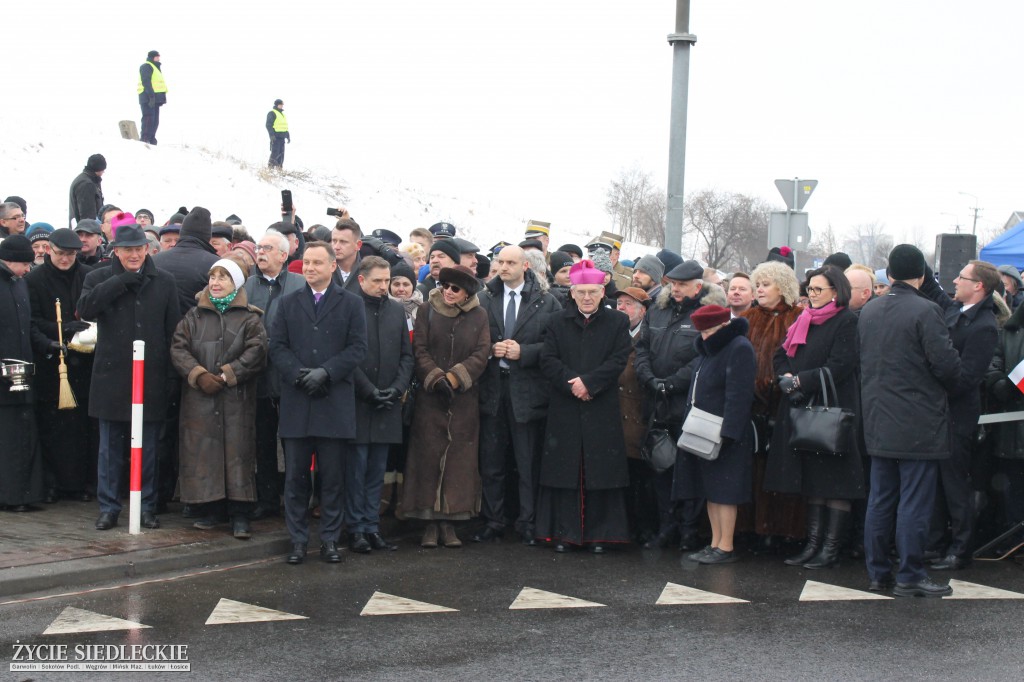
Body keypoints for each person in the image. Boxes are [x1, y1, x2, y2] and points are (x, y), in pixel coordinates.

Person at [859, 244, 961, 597]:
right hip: (918, 421)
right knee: (914, 502)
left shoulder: (870, 310)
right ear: (922, 275)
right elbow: (946, 366)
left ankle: (878, 573)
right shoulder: (927, 310)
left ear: (889, 274)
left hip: (877, 418)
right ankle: (911, 574)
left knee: (880, 499)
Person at [78, 225, 181, 531]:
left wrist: (171, 376)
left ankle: (146, 504)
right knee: (109, 448)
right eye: (128, 250)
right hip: (111, 377)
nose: (134, 255)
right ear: (116, 252)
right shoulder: (98, 277)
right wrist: (120, 281)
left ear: (147, 250)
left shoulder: (164, 281)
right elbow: (85, 309)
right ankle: (109, 506)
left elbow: (172, 330)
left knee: (148, 448)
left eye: (139, 249)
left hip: (151, 377)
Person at [269, 242, 367, 564]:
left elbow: (357, 349)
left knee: (332, 478)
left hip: (333, 402)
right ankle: (297, 541)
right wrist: (299, 374)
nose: (309, 268)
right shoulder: (287, 303)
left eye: (316, 263)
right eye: (306, 262)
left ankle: (329, 540)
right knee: (296, 478)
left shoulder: (351, 303)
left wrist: (326, 372)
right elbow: (277, 346)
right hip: (298, 401)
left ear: (331, 265)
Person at [766, 266, 865, 569]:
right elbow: (782, 353)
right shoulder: (804, 318)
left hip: (832, 409)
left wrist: (799, 381)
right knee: (812, 479)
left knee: (834, 481)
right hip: (803, 407)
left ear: (836, 291)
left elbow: (841, 364)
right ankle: (812, 545)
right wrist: (784, 377)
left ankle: (830, 548)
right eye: (809, 289)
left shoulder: (846, 321)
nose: (812, 295)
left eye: (818, 290)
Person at [536, 260, 632, 553]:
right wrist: (573, 384)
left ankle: (601, 535)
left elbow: (619, 359)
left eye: (593, 292)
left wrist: (590, 383)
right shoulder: (556, 321)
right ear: (573, 293)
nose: (587, 298)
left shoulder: (617, 322)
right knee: (564, 471)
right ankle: (563, 534)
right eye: (581, 292)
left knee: (601, 471)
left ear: (603, 292)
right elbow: (548, 360)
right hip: (565, 405)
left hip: (600, 404)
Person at [170, 259, 267, 539]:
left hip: (237, 400)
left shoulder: (250, 318)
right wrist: (199, 375)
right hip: (200, 400)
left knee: (238, 455)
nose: (216, 282)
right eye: (213, 276)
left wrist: (226, 375)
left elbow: (257, 352)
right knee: (204, 453)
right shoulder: (193, 316)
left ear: (235, 283)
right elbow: (179, 349)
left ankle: (239, 515)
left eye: (223, 277)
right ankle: (209, 509)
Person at [474, 246, 562, 546]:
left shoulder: (546, 302)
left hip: (528, 391)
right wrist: (490, 350)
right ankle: (494, 520)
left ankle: (528, 521)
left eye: (511, 262)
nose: (503, 267)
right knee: (492, 461)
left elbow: (556, 346)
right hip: (492, 389)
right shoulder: (485, 298)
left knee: (527, 462)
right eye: (500, 262)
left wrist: (525, 352)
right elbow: (473, 340)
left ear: (525, 266)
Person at [919, 260, 999, 570]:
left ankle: (960, 548)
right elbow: (933, 289)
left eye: (962, 277)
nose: (955, 280)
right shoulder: (957, 311)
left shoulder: (984, 326)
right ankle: (935, 543)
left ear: (979, 286)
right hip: (938, 413)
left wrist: (930, 386)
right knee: (936, 483)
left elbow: (967, 378)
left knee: (955, 485)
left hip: (957, 416)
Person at [403, 265, 490, 548]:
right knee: (426, 460)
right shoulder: (427, 309)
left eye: (455, 288)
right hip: (430, 399)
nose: (448, 292)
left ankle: (450, 522)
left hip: (464, 401)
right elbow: (420, 349)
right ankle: (428, 523)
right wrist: (436, 378)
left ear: (467, 292)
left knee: (458, 464)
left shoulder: (479, 315)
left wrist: (455, 378)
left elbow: (481, 352)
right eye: (445, 286)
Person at [633, 260, 706, 550]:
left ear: (698, 287)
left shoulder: (704, 314)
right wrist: (650, 379)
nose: (675, 289)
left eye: (682, 285)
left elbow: (702, 357)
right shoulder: (658, 310)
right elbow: (641, 349)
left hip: (687, 405)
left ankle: (688, 530)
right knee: (660, 469)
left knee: (689, 471)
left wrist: (672, 383)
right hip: (656, 403)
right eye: (673, 284)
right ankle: (666, 527)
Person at [674, 305, 756, 564]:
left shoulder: (739, 347)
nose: (705, 335)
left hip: (724, 433)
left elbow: (738, 395)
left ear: (723, 326)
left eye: (709, 330)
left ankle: (726, 546)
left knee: (725, 493)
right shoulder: (711, 349)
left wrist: (729, 433)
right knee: (711, 491)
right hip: (704, 430)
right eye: (702, 331)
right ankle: (715, 542)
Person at [347, 256, 413, 553]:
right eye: (378, 281)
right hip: (359, 402)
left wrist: (397, 388)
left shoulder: (397, 312)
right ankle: (355, 528)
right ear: (362, 280)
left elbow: (406, 356)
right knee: (356, 468)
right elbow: (347, 355)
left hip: (388, 401)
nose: (384, 287)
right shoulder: (349, 307)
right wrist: (368, 389)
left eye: (387, 281)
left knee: (377, 470)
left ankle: (372, 526)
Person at [25, 229, 95, 503]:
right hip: (52, 365)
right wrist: (61, 331)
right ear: (49, 251)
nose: (65, 259)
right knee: (54, 427)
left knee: (81, 429)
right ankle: (56, 483)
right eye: (60, 254)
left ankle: (80, 482)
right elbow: (32, 320)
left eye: (70, 254)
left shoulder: (87, 275)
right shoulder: (35, 280)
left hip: (83, 363)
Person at [739, 260, 804, 549]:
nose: (760, 289)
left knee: (781, 473)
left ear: (784, 287)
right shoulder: (748, 318)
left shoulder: (800, 318)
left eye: (766, 284)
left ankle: (783, 531)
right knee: (751, 470)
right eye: (759, 284)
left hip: (785, 406)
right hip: (751, 407)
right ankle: (751, 530)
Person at [242, 230, 306, 520]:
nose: (261, 252)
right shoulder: (247, 286)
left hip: (291, 379)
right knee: (262, 442)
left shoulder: (299, 285)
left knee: (293, 444)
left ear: (284, 255)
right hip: (258, 377)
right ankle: (267, 499)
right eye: (259, 247)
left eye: (268, 248)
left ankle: (295, 501)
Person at [0, 235, 49, 511]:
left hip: (21, 371)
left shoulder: (19, 286)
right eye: (25, 264)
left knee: (23, 433)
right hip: (5, 373)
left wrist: (47, 345)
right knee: (8, 437)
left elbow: (27, 327)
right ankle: (10, 495)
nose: (29, 269)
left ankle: (24, 493)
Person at [613, 286, 657, 541]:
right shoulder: (614, 333)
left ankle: (644, 528)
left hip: (639, 414)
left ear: (643, 310)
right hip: (617, 415)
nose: (622, 308)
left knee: (642, 476)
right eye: (619, 303)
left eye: (628, 304)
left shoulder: (648, 336)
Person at [152, 207, 219, 314]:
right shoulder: (216, 264)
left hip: (157, 327)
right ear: (208, 237)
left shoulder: (153, 261)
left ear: (182, 232)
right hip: (197, 328)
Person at [138, 50, 167, 144]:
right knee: (148, 119)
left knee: (155, 121)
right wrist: (151, 96)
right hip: (147, 97)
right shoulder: (146, 66)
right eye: (157, 56)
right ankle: (145, 139)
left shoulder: (155, 67)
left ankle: (151, 139)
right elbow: (146, 82)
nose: (159, 58)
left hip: (155, 99)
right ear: (152, 57)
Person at [68, 154, 106, 227]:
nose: (103, 172)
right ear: (98, 169)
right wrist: (92, 232)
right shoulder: (86, 184)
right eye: (103, 170)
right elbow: (87, 216)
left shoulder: (88, 180)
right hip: (85, 232)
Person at [330, 218, 363, 293]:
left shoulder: (368, 273)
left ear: (358, 245)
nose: (336, 247)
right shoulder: (322, 270)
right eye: (334, 241)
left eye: (343, 242)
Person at [266, 99, 290, 169]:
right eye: (281, 104)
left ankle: (279, 169)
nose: (282, 106)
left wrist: (288, 135)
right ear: (277, 105)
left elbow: (284, 126)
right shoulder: (272, 113)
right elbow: (268, 125)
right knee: (275, 153)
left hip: (282, 138)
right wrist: (271, 135)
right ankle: (270, 169)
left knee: (281, 154)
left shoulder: (282, 114)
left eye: (282, 104)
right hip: (275, 137)